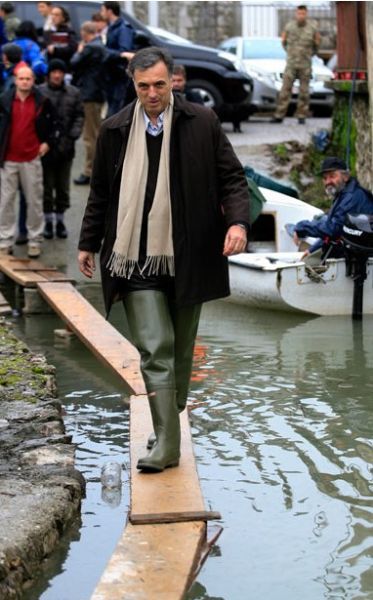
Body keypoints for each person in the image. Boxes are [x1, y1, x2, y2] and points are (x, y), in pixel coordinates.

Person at [78, 47, 250, 473]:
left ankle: (165, 425)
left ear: (172, 79)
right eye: (143, 86)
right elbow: (101, 193)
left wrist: (239, 224)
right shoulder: (116, 129)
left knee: (181, 352)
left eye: (159, 84)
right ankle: (168, 449)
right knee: (156, 349)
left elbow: (232, 178)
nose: (152, 93)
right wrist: (87, 242)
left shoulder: (202, 121)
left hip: (190, 254)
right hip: (133, 255)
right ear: (132, 85)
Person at [0, 66, 58, 258]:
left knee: (34, 201)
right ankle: (5, 240)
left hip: (31, 157)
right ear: (15, 80)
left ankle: (35, 240)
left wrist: (48, 143)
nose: (24, 82)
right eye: (21, 78)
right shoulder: (5, 100)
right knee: (6, 202)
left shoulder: (42, 101)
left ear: (33, 80)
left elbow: (56, 124)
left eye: (28, 79)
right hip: (8, 159)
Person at [290, 157, 373, 257]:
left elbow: (333, 228)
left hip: (362, 257)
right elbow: (335, 231)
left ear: (345, 176)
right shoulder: (343, 194)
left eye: (332, 176)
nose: (328, 181)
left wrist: (302, 228)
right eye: (325, 178)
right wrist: (313, 249)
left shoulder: (351, 197)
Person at [39, 58, 84, 239]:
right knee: (46, 186)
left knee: (63, 186)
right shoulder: (40, 92)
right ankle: (48, 221)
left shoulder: (74, 93)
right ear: (49, 74)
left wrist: (73, 135)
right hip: (45, 149)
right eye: (54, 72)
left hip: (66, 148)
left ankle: (60, 220)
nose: (57, 75)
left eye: (60, 72)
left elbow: (79, 116)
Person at [271, 5, 320, 125]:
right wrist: (291, 54)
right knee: (285, 90)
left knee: (304, 92)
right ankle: (279, 115)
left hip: (305, 65)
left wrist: (308, 55)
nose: (301, 16)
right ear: (296, 14)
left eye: (303, 13)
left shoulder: (313, 28)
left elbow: (317, 45)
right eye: (299, 13)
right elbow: (283, 42)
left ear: (306, 14)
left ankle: (302, 115)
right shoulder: (289, 27)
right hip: (291, 64)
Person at [71, 21, 106, 186]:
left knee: (90, 135)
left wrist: (79, 50)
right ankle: (97, 170)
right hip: (96, 93)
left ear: (85, 33)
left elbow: (74, 62)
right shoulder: (99, 45)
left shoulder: (90, 48)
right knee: (96, 132)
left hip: (90, 94)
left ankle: (90, 171)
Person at [100, 1, 134, 117]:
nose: (101, 13)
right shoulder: (111, 27)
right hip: (110, 76)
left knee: (116, 111)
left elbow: (124, 51)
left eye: (102, 10)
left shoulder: (123, 28)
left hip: (119, 76)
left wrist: (104, 51)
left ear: (109, 11)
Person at [45, 5, 77, 70]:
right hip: (52, 67)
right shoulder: (49, 32)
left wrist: (55, 50)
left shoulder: (69, 32)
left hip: (65, 68)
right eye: (52, 15)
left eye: (57, 15)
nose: (53, 17)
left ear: (63, 18)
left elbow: (72, 49)